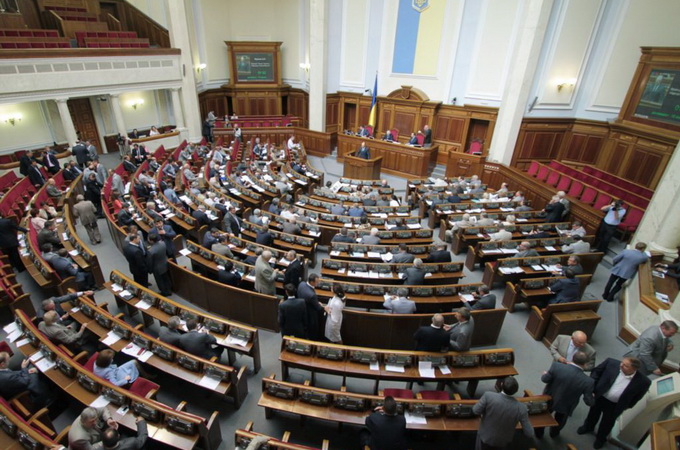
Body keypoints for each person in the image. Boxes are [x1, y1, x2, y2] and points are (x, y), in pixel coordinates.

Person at [577, 357, 651, 449]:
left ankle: (600, 438)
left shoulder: (643, 382)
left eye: (626, 365)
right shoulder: (611, 363)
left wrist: (627, 406)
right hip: (600, 396)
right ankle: (588, 427)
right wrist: (592, 387)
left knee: (607, 423)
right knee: (593, 413)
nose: (621, 365)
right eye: (622, 362)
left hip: (615, 405)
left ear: (634, 369)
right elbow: (596, 372)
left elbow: (638, 397)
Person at [537, 351, 594, 438]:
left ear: (572, 359)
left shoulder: (557, 366)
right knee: (560, 421)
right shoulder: (588, 381)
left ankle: (539, 433)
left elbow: (545, 379)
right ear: (585, 364)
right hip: (566, 405)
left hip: (549, 398)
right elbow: (588, 401)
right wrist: (593, 397)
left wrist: (544, 374)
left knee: (543, 416)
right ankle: (554, 433)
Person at [472, 376, 534, 450]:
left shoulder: (488, 396)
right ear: (516, 391)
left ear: (501, 385)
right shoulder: (521, 408)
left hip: (485, 438)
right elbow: (529, 433)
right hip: (503, 442)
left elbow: (475, 410)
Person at [298, 274, 323, 340]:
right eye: (317, 282)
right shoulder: (312, 295)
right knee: (312, 329)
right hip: (310, 313)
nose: (318, 283)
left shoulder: (302, 284)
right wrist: (319, 304)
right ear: (312, 282)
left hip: (301, 308)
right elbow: (318, 308)